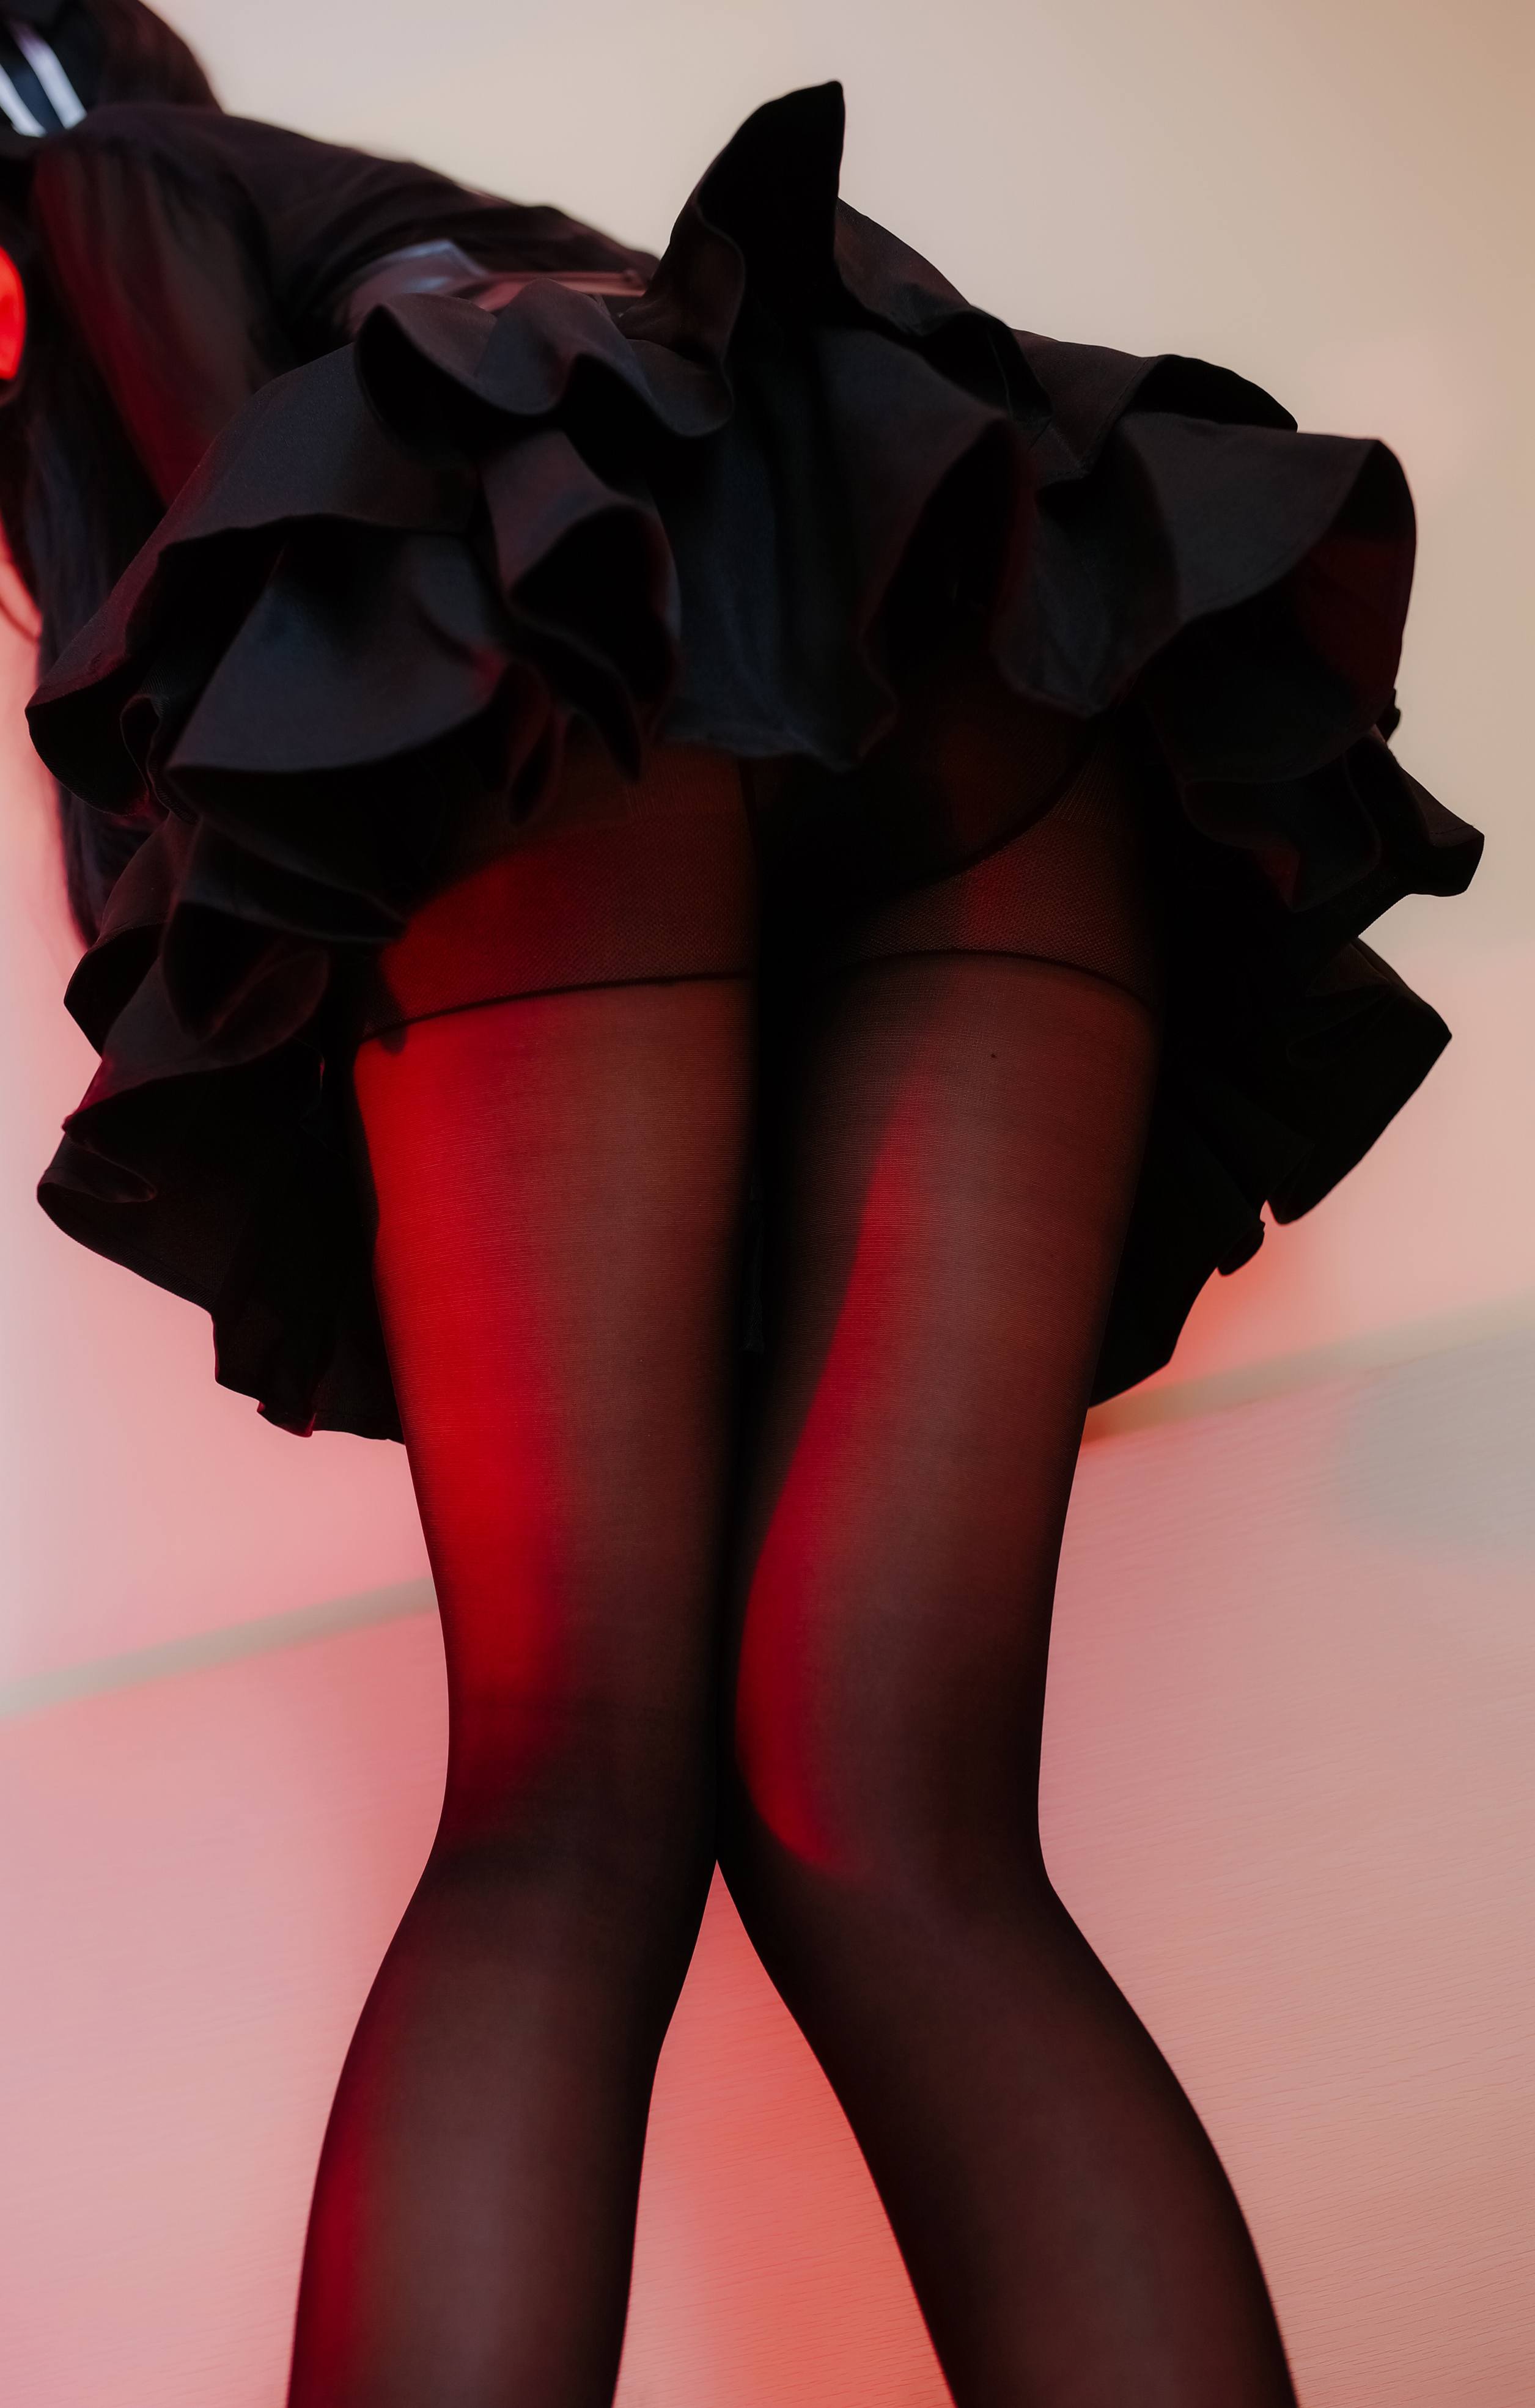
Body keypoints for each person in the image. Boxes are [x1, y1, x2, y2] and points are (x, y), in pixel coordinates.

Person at [1, 9, 1481, 2403]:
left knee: (564, 1813)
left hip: (584, 697)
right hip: (980, 670)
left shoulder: (104, 205)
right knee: (888, 1820)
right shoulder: (430, 250)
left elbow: (304, 610)